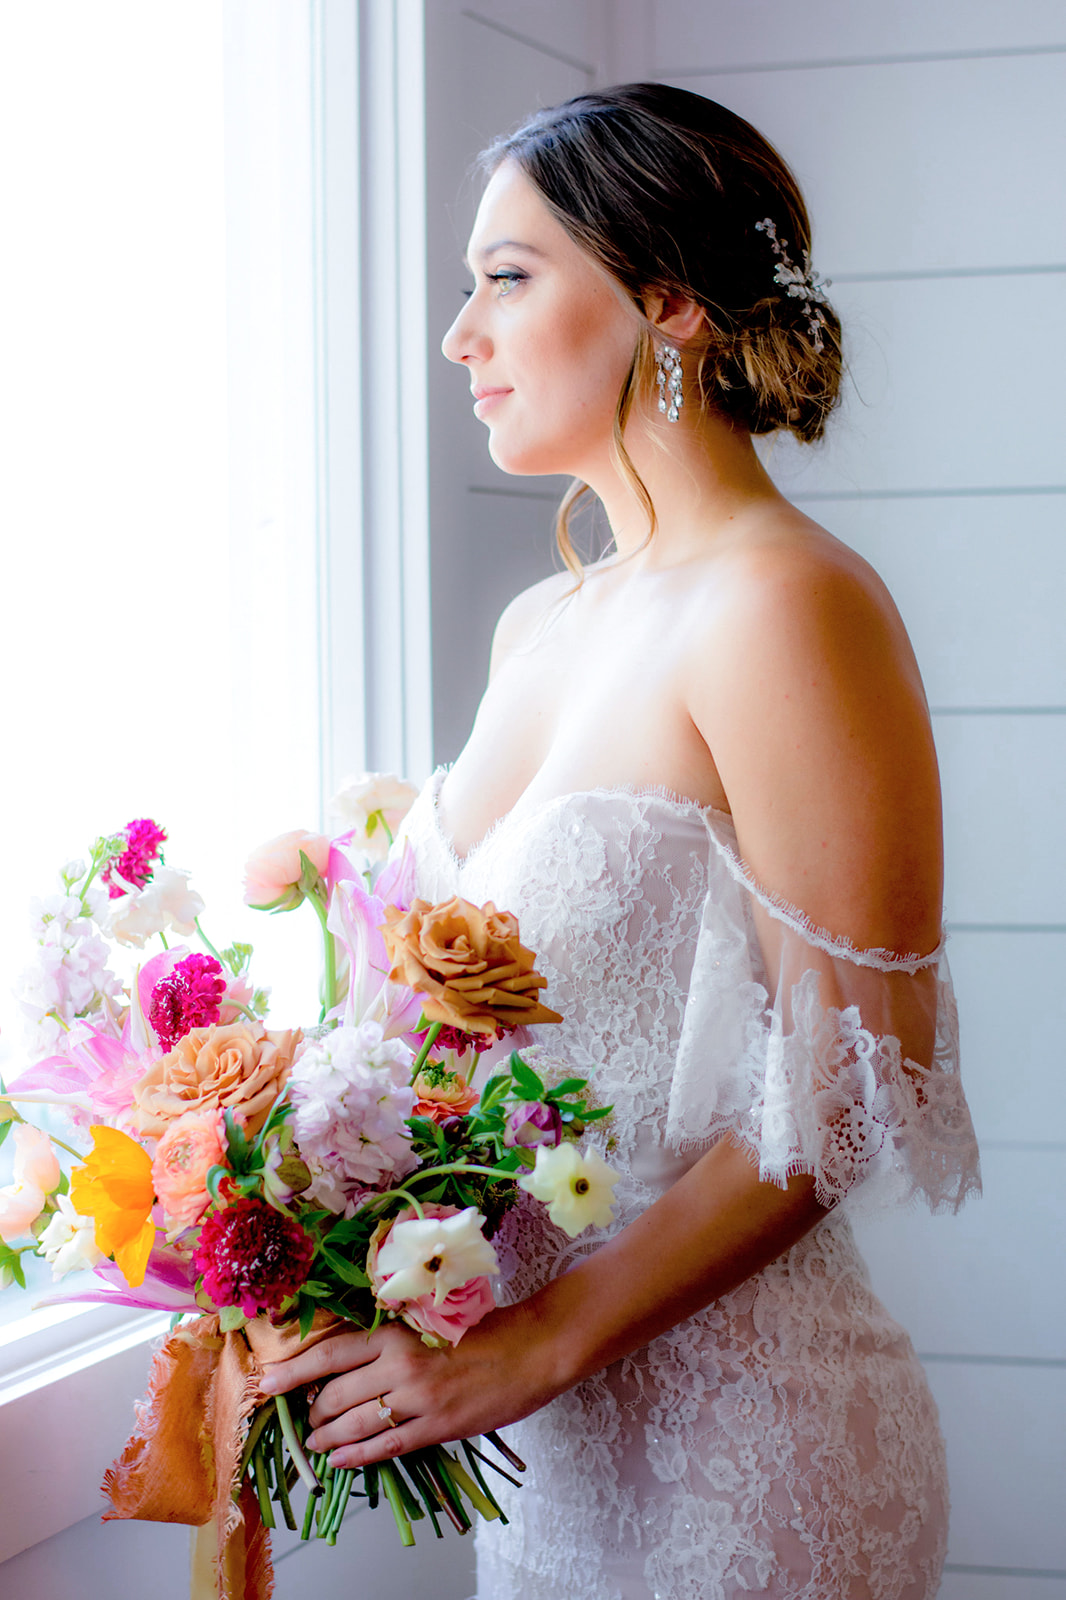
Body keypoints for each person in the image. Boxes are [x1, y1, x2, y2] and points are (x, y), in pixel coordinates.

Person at [261, 85, 981, 1599]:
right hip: (550, 1460)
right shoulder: (544, 622)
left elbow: (846, 1088)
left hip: (752, 1447)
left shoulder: (784, 601)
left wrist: (540, 1338)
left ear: (666, 303)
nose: (459, 336)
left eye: (504, 279)